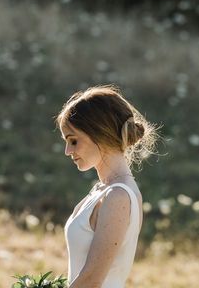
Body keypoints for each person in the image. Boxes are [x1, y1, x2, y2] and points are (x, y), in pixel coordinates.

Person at [56, 85, 158, 288]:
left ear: (99, 134)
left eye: (74, 141)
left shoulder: (118, 196)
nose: (68, 150)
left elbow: (92, 280)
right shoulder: (102, 190)